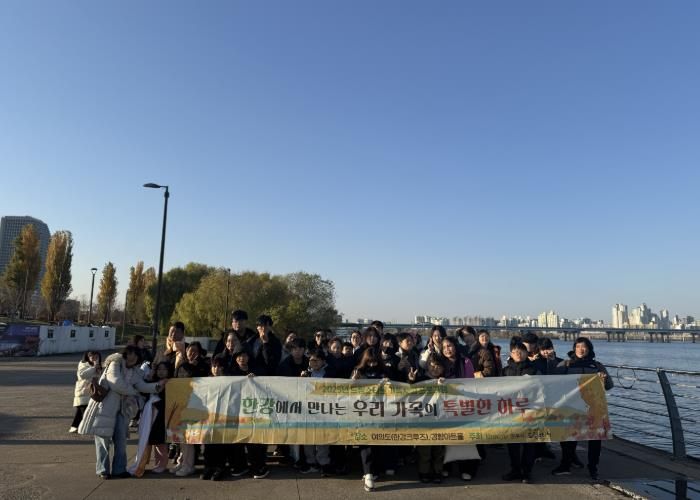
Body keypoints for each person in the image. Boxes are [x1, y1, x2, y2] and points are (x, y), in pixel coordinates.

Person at [79, 345, 168, 479]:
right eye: (130, 353)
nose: (132, 357)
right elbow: (116, 383)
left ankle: (119, 469)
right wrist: (135, 392)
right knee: (103, 440)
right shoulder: (115, 363)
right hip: (105, 407)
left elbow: (141, 385)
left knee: (121, 441)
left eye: (136, 355)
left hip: (123, 409)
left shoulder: (135, 371)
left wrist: (157, 386)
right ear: (125, 354)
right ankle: (103, 470)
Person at [552, 337, 613, 481]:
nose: (581, 349)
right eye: (578, 346)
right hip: (571, 407)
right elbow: (553, 383)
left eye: (584, 346)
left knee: (595, 439)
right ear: (574, 348)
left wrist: (603, 379)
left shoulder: (597, 366)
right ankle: (565, 465)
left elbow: (609, 385)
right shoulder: (565, 365)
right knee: (568, 437)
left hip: (592, 409)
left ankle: (593, 467)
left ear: (589, 349)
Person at [228, 347, 270, 479]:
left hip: (254, 411)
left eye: (244, 355)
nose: (242, 358)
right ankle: (240, 466)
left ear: (249, 357)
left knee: (255, 440)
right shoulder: (230, 372)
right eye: (239, 356)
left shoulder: (257, 370)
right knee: (237, 440)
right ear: (235, 358)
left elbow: (267, 386)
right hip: (236, 412)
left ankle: (259, 466)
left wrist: (256, 380)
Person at [440, 336, 478, 480]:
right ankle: (447, 466)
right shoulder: (440, 362)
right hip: (445, 405)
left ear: (455, 346)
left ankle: (467, 468)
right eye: (444, 347)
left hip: (463, 403)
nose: (447, 349)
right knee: (447, 437)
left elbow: (470, 383)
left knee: (465, 437)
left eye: (449, 346)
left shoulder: (465, 362)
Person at [501, 341, 540, 484]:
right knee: (513, 443)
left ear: (526, 353)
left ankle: (527, 472)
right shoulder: (505, 371)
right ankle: (515, 470)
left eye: (521, 351)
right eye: (515, 351)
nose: (518, 353)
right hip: (511, 412)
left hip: (529, 411)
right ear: (511, 354)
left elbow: (541, 389)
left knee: (529, 444)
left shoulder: (534, 370)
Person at [351, 347, 389, 492]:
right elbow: (348, 391)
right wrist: (353, 382)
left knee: (377, 443)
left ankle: (374, 471)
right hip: (363, 412)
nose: (372, 365)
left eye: (375, 362)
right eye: (369, 362)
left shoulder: (384, 372)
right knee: (365, 444)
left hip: (380, 413)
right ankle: (368, 474)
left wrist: (389, 384)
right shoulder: (358, 372)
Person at [408, 353, 446, 483]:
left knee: (438, 449)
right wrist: (411, 381)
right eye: (432, 365)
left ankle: (437, 471)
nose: (435, 368)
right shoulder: (420, 379)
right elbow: (410, 394)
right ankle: (423, 472)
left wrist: (443, 386)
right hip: (423, 419)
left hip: (440, 419)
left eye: (438, 366)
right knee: (424, 450)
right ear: (427, 365)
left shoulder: (445, 381)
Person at [300, 349, 333, 476]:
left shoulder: (329, 373)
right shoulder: (306, 374)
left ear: (323, 361)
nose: (313, 363)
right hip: (308, 409)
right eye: (311, 360)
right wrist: (301, 380)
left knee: (322, 437)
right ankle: (311, 462)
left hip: (324, 410)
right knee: (308, 437)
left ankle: (324, 462)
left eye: (316, 360)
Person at [200, 355, 231, 481]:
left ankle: (220, 468)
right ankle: (208, 467)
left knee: (220, 444)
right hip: (208, 417)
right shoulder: (206, 381)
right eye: (214, 366)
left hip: (223, 418)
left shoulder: (229, 381)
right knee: (208, 444)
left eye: (219, 366)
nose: (216, 369)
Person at [70, 351, 102, 433]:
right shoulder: (83, 364)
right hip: (83, 390)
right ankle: (84, 427)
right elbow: (82, 375)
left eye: (96, 357)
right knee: (84, 409)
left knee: (82, 410)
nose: (94, 359)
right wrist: (94, 367)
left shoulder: (98, 366)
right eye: (92, 357)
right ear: (88, 357)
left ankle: (74, 426)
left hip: (92, 391)